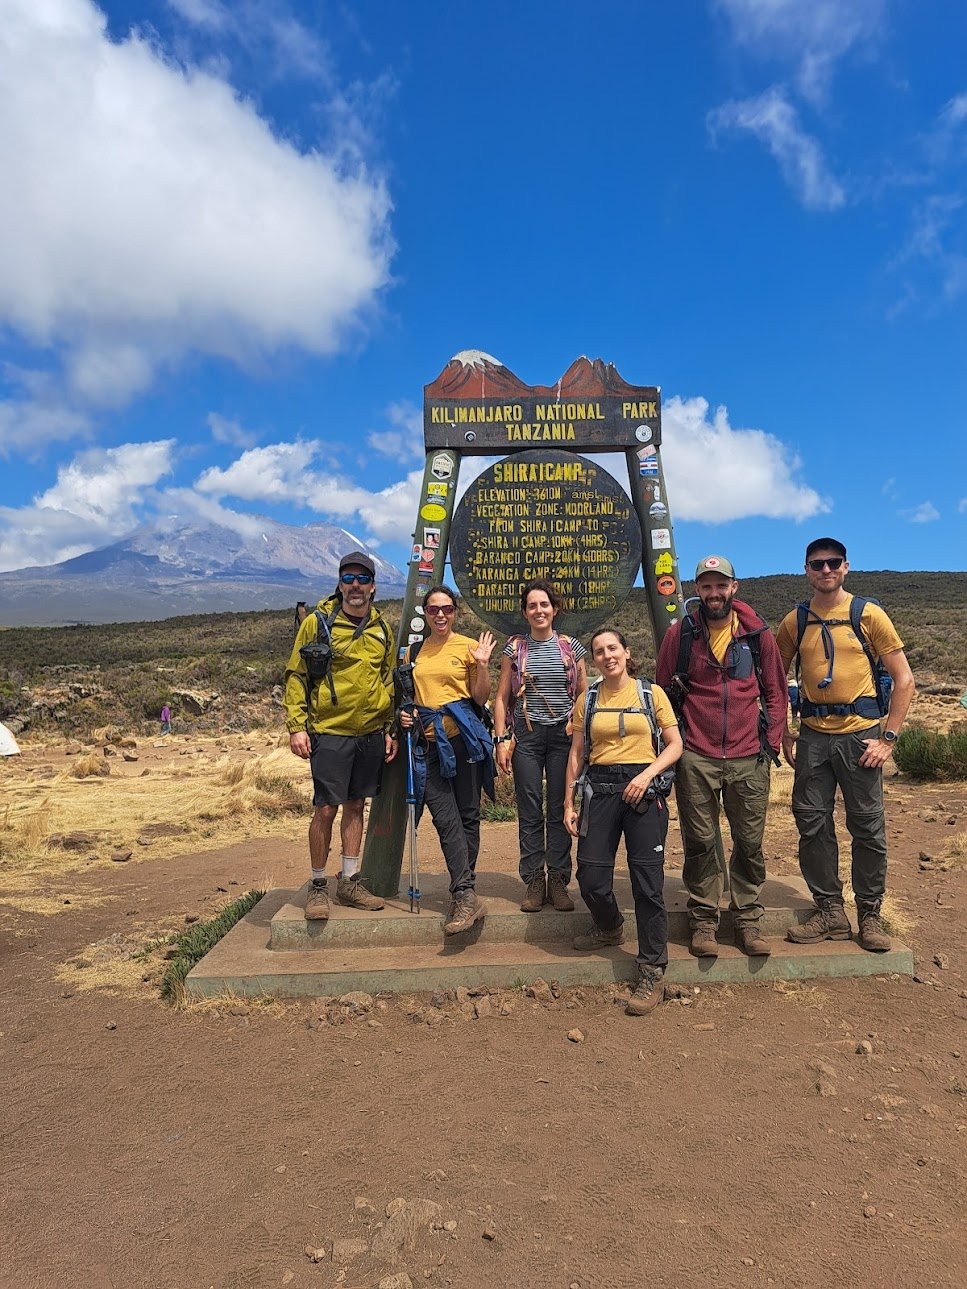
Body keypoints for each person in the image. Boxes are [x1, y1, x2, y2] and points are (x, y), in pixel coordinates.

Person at [776, 538, 915, 951]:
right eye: (817, 564)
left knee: (868, 829)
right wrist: (785, 731)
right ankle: (830, 911)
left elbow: (905, 680)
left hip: (862, 736)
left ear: (846, 567)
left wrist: (888, 739)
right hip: (814, 737)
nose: (825, 570)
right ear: (806, 569)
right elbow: (776, 681)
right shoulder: (793, 622)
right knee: (812, 824)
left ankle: (870, 915)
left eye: (832, 563)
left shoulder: (869, 615)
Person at [656, 556, 787, 958]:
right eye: (706, 586)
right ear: (697, 590)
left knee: (749, 842)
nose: (713, 593)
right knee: (700, 841)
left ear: (734, 587)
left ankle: (747, 920)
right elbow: (662, 693)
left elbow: (776, 691)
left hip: (749, 754)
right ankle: (704, 921)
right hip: (696, 753)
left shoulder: (757, 634)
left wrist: (772, 743)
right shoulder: (681, 635)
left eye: (720, 585)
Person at [564, 629, 683, 1016]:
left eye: (612, 648)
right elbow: (577, 753)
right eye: (599, 651)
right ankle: (610, 925)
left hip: (643, 792)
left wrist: (647, 775)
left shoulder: (651, 694)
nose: (606, 655)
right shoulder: (589, 698)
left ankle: (652, 969)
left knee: (647, 883)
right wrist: (569, 801)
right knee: (591, 877)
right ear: (594, 659)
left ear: (626, 652)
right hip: (600, 790)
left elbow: (675, 744)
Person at [284, 551, 397, 921]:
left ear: (373, 586)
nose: (355, 586)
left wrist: (388, 726)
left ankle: (349, 881)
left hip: (369, 732)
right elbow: (297, 675)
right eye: (348, 578)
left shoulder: (382, 628)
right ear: (339, 583)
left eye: (362, 579)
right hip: (330, 730)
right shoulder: (318, 623)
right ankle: (318, 886)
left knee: (355, 806)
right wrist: (297, 726)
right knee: (326, 808)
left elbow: (388, 678)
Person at [398, 585, 496, 935]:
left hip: (462, 741)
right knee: (445, 818)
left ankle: (463, 894)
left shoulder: (469, 647)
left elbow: (480, 696)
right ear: (425, 613)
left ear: (456, 612)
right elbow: (408, 699)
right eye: (433, 609)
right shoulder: (413, 652)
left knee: (468, 816)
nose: (441, 615)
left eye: (448, 609)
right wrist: (404, 716)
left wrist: (482, 665)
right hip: (428, 745)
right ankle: (466, 893)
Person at [493, 579, 587, 913]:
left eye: (544, 605)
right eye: (532, 606)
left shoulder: (571, 648)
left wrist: (576, 725)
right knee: (530, 810)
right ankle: (534, 880)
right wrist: (501, 739)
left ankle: (559, 880)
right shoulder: (515, 648)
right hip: (527, 737)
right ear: (525, 612)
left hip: (563, 737)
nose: (538, 611)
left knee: (562, 807)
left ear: (554, 609)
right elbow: (502, 697)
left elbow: (584, 696)